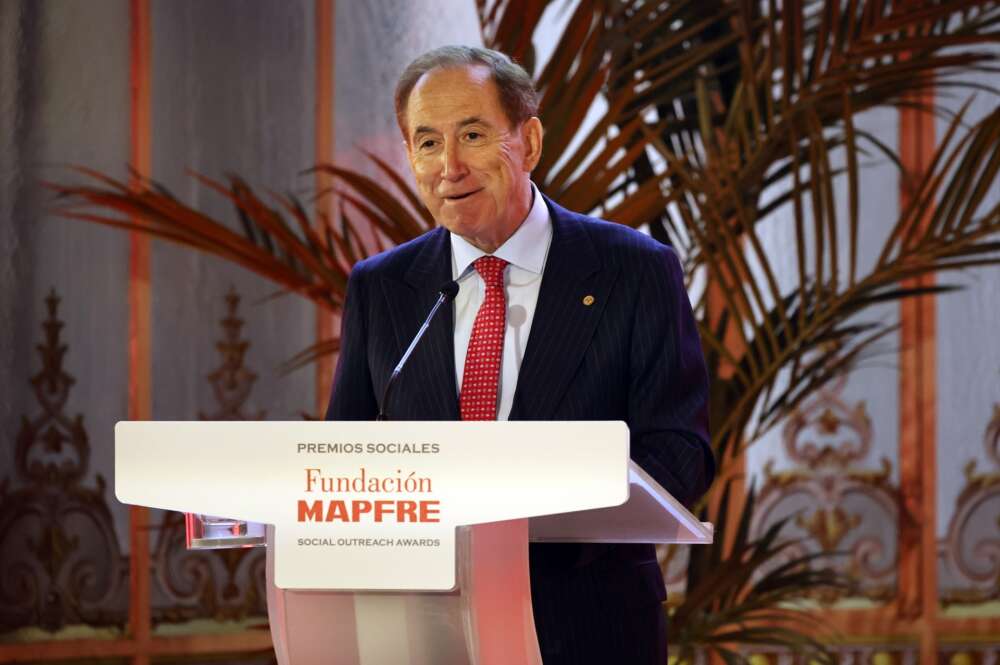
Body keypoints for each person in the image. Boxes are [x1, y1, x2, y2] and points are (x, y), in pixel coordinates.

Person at [326, 45, 714, 665]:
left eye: (472, 135)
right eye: (427, 143)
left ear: (528, 143)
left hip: (586, 626)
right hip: (418, 631)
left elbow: (679, 456)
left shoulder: (633, 271)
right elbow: (345, 457)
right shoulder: (383, 288)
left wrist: (532, 507)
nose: (449, 166)